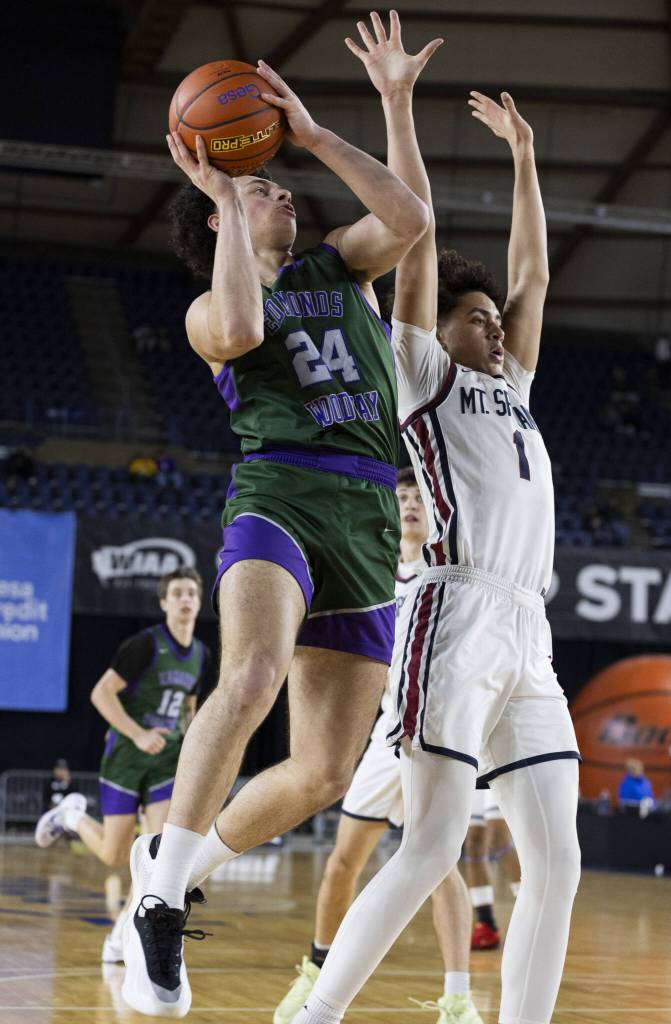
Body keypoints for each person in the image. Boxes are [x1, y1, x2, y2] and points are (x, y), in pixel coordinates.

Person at [121, 43, 434, 1018]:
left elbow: (411, 220)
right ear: (216, 213)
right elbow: (247, 328)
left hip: (368, 513)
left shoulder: (340, 266)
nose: (285, 195)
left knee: (324, 770)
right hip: (279, 495)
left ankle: (170, 865)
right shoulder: (210, 307)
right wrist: (222, 187)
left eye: (283, 186)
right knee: (250, 673)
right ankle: (163, 901)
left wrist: (313, 132)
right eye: (262, 190)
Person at [292, 13, 581, 1024]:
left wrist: (527, 158)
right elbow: (411, 240)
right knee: (426, 846)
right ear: (439, 329)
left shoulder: (516, 384)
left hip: (527, 630)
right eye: (477, 317)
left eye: (496, 319)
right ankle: (316, 1010)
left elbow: (534, 274)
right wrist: (396, 101)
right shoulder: (419, 372)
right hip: (450, 612)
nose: (494, 324)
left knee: (558, 862)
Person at [275, 467, 483, 1024]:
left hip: (437, 739)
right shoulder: (370, 577)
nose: (410, 504)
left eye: (418, 495)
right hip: (385, 737)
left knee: (443, 867)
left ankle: (458, 999)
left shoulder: (452, 574)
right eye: (402, 496)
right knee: (343, 861)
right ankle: (316, 973)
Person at [34, 568, 209, 964]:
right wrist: (137, 734)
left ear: (199, 602)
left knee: (156, 855)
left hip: (167, 759)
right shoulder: (144, 646)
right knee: (115, 855)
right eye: (177, 593)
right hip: (127, 756)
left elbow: (188, 709)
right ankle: (72, 815)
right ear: (164, 602)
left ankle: (120, 937)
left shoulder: (200, 653)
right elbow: (101, 693)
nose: (185, 599)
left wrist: (192, 746)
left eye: (191, 594)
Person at [463, 792, 521, 950]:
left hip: (504, 767)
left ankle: (533, 914)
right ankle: (486, 923)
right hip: (478, 769)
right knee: (473, 843)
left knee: (498, 836)